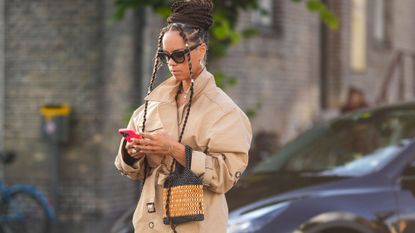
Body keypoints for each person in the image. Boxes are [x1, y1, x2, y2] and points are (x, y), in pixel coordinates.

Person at [114, 0, 252, 232]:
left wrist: (174, 149)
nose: (171, 63)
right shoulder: (152, 105)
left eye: (178, 55)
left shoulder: (224, 112)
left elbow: (226, 176)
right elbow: (128, 169)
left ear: (200, 51)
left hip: (197, 226)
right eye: (165, 55)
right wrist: (131, 152)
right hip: (149, 225)